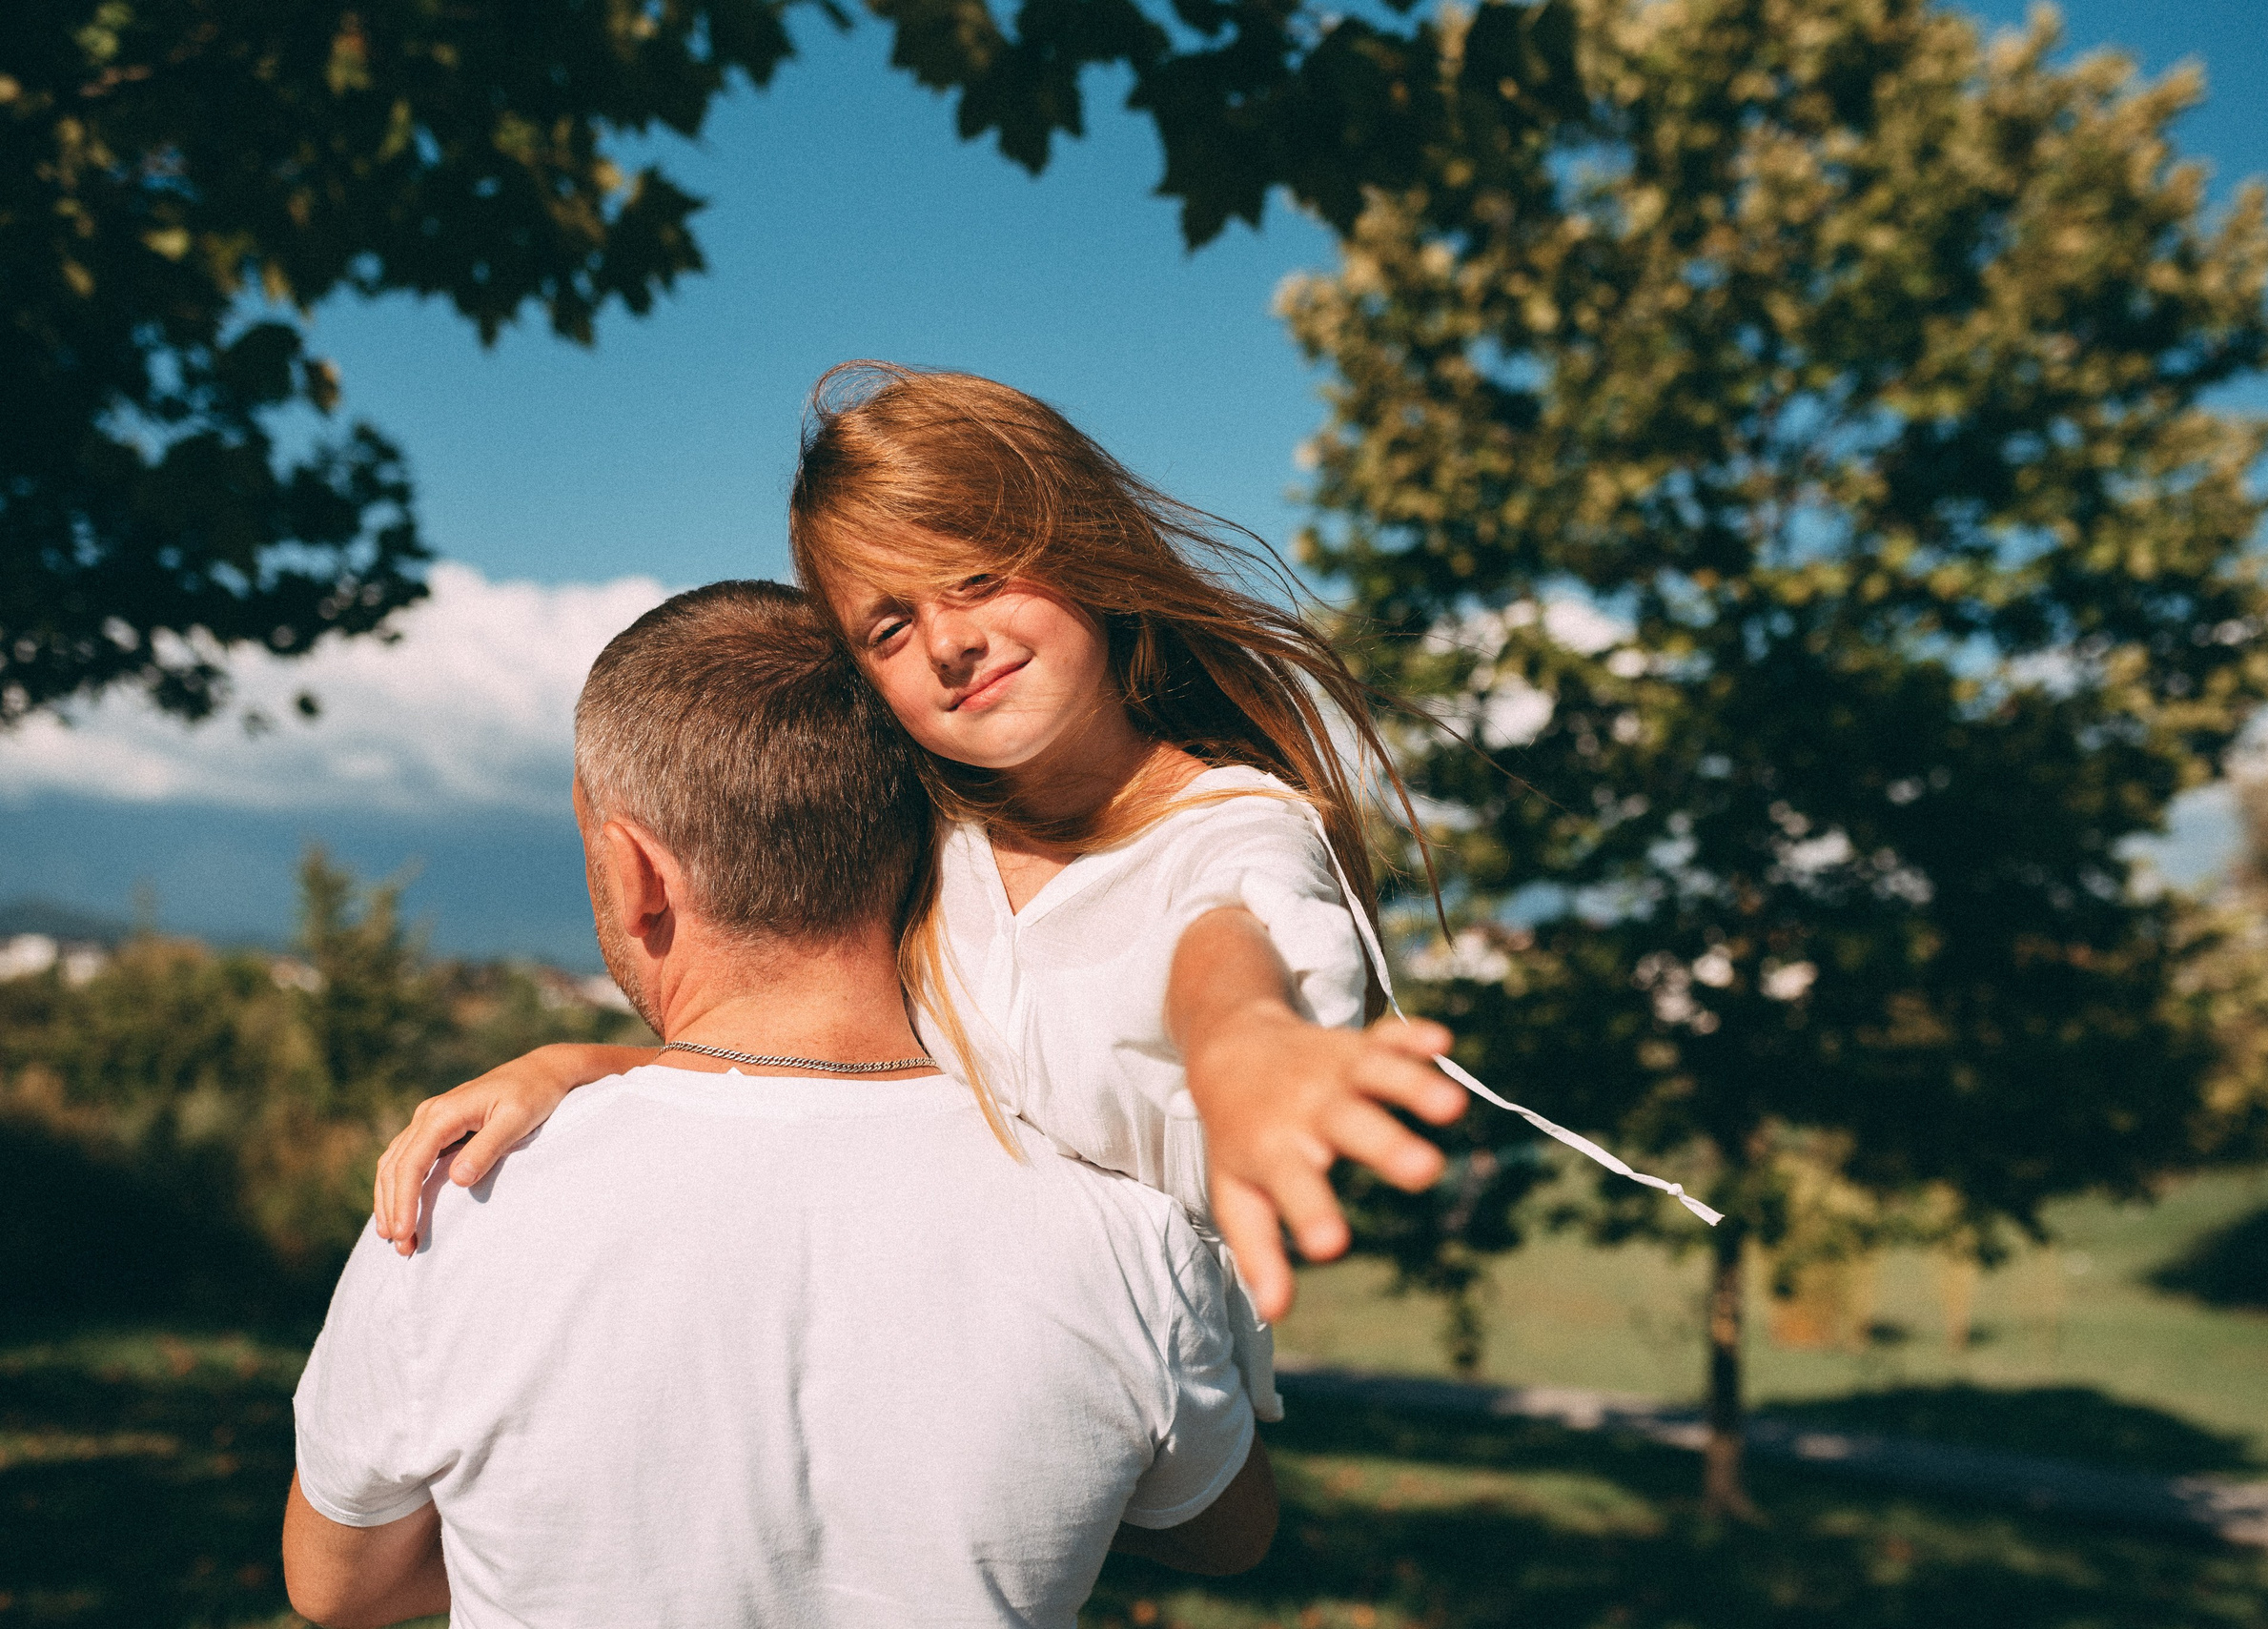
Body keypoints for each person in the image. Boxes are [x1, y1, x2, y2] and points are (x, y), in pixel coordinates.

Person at [372, 363, 1477, 1424]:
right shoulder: (939, 832)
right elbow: (814, 1046)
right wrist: (578, 1068)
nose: (950, 639)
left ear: (1082, 546)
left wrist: (1243, 1048)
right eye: (889, 625)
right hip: (923, 1354)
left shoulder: (1234, 828)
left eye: (982, 573)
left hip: (1142, 1394)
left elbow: (1220, 948)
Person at [285, 580, 1275, 1629]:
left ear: (635, 873)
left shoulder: (456, 1208)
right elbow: (1228, 1529)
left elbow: (340, 1586)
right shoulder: (1114, 1216)